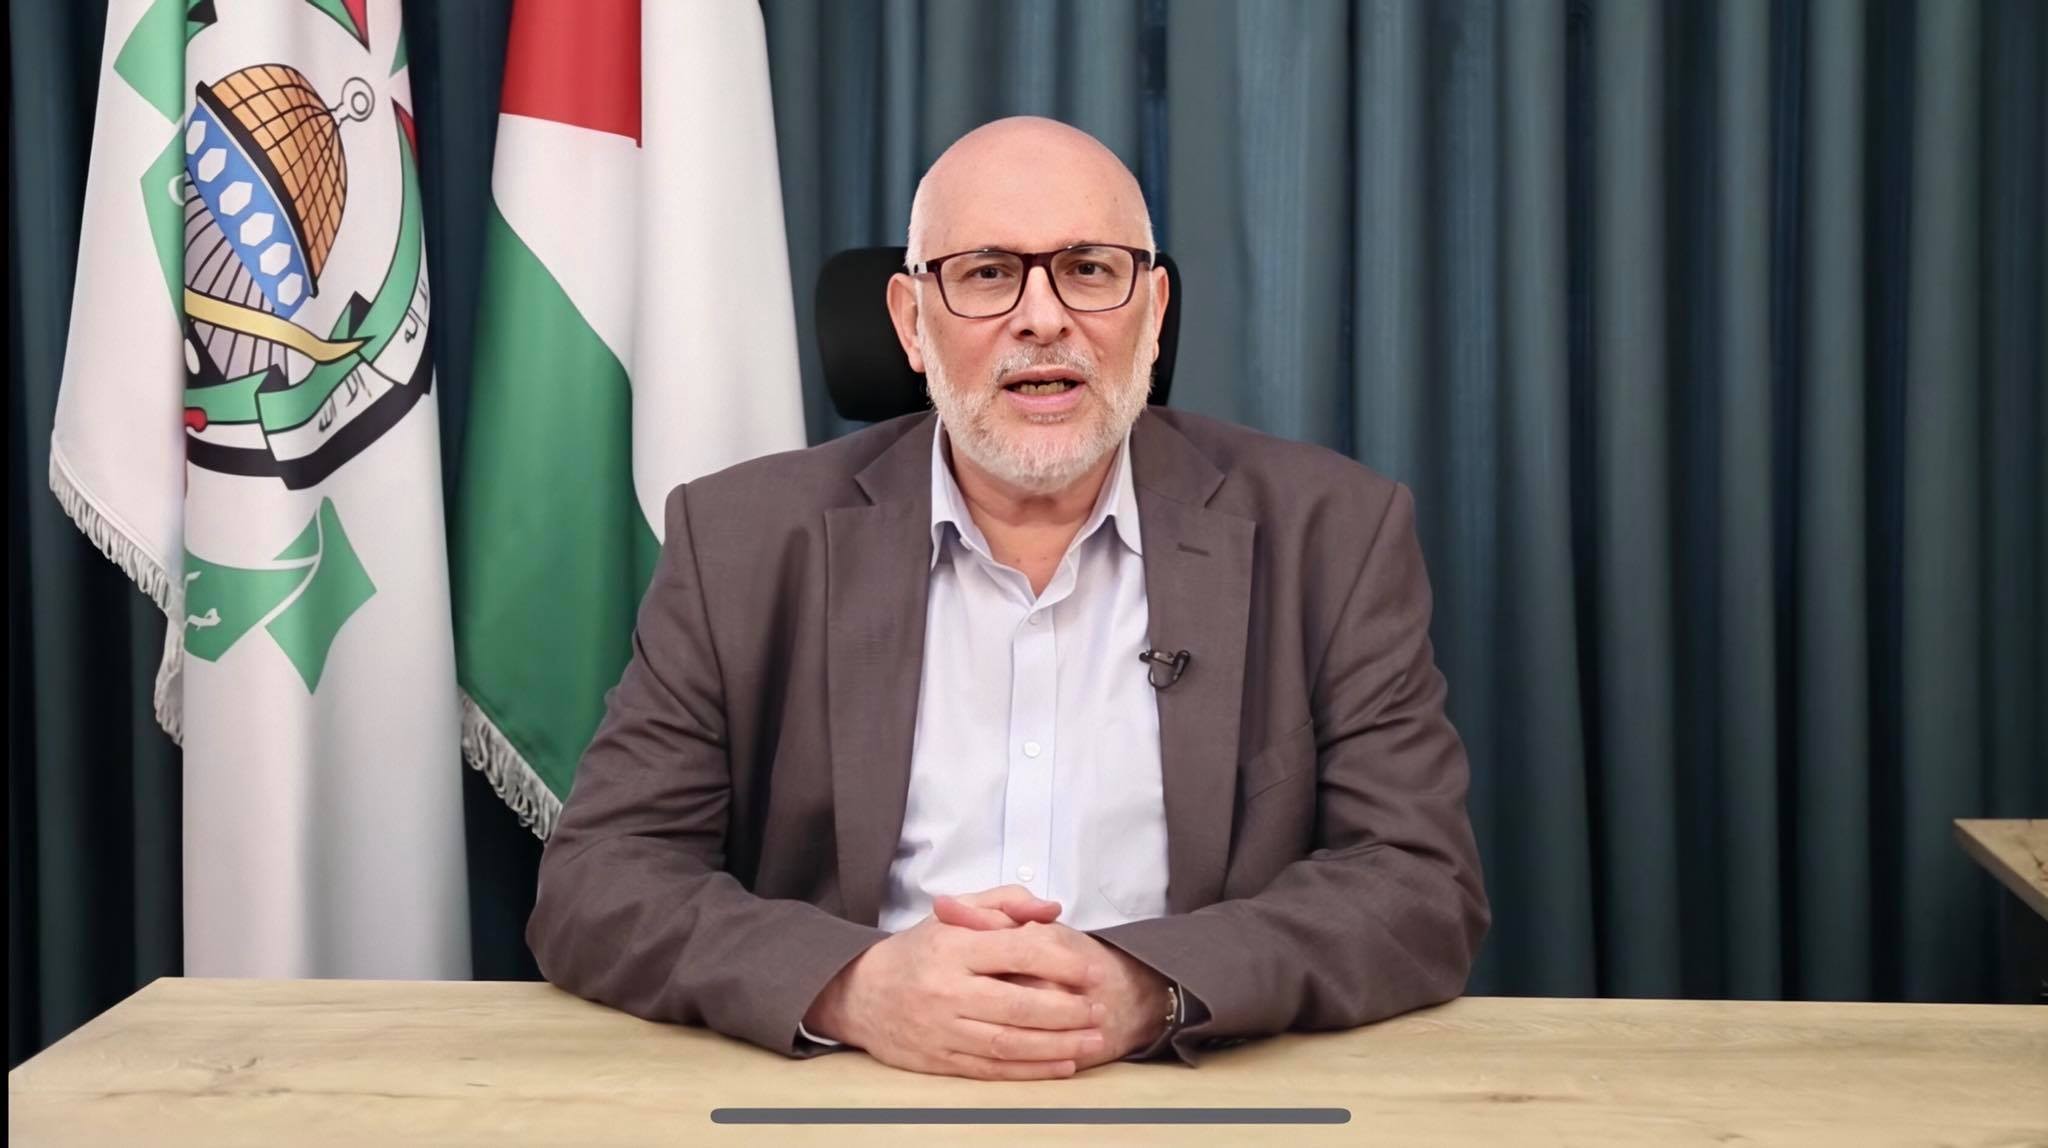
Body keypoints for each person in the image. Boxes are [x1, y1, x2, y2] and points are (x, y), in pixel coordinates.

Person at [527, 116, 1488, 1080]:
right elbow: (600, 877)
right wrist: (851, 987)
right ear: (911, 322)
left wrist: (1152, 987)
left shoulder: (1332, 535)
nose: (1042, 319)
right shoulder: (741, 540)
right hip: (856, 1088)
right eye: (987, 273)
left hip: (1187, 1090)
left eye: (1088, 269)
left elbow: (1418, 885)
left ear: (1153, 311)